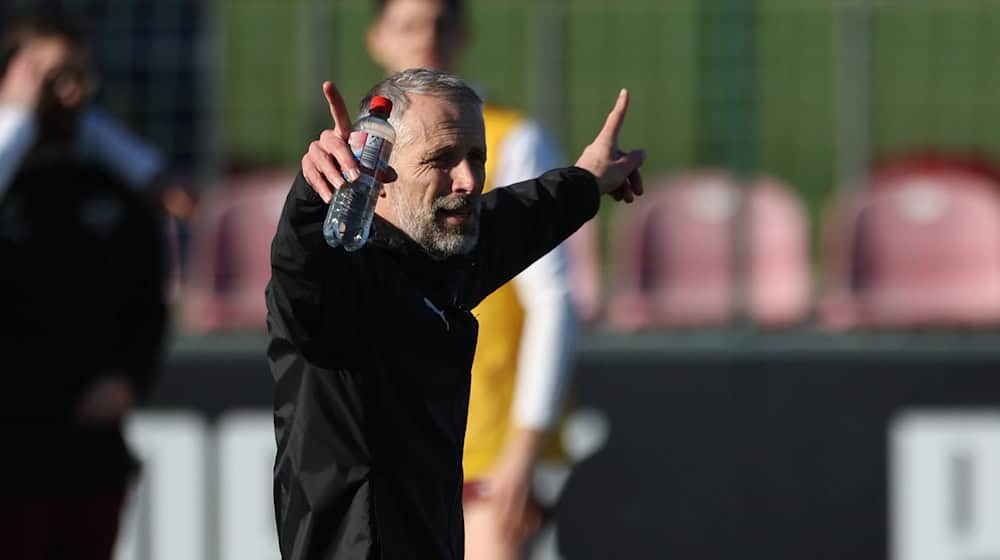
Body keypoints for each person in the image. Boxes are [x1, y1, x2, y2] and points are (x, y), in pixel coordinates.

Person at [267, 68, 643, 559]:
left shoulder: (437, 259)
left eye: (476, 157)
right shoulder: (344, 285)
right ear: (377, 171)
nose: (467, 179)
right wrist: (313, 199)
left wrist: (586, 182)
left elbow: (517, 218)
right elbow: (301, 272)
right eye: (441, 159)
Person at [366, 2, 596, 555]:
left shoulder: (511, 137)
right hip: (390, 449)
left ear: (464, 34)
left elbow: (553, 301)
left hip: (485, 444)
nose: (427, 38)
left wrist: (526, 446)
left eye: (442, 23)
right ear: (377, 38)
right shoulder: (363, 149)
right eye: (409, 24)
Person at [0, 18, 167, 560]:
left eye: (79, 78)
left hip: (88, 453)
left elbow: (149, 300)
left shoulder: (113, 192)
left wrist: (127, 378)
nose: (70, 94)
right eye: (51, 79)